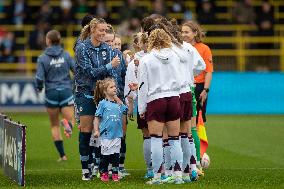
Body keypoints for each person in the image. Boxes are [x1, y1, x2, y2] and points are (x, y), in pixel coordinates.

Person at [75, 17, 121, 180]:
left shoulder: (106, 49)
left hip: (102, 98)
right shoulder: (82, 48)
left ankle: (98, 166)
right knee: (86, 132)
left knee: (101, 133)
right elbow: (89, 72)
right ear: (92, 30)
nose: (103, 33)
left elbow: (111, 74)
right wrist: (109, 66)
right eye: (101, 30)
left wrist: (113, 92)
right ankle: (85, 169)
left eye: (105, 31)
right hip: (86, 94)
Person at [138, 28, 183, 185]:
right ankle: (178, 176)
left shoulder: (147, 59)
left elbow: (142, 86)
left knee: (156, 139)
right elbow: (180, 78)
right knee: (175, 139)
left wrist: (141, 108)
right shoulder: (175, 56)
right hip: (174, 98)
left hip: (156, 99)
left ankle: (157, 177)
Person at [35, 29, 75, 162]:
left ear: (48, 41)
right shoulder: (66, 55)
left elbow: (39, 78)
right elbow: (76, 71)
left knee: (54, 125)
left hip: (51, 93)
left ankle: (62, 155)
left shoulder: (42, 58)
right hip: (66, 91)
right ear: (59, 41)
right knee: (72, 121)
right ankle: (68, 124)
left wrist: (39, 88)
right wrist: (73, 85)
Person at [181, 21, 213, 173]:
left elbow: (208, 71)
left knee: (198, 121)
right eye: (182, 32)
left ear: (195, 33)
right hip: (185, 86)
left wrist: (205, 90)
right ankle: (189, 155)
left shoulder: (204, 48)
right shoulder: (179, 47)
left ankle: (198, 154)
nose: (184, 35)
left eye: (187, 32)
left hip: (199, 87)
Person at [93, 78, 127, 182]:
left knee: (116, 156)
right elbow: (97, 118)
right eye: (111, 87)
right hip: (106, 135)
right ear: (105, 91)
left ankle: (115, 173)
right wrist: (96, 130)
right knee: (106, 156)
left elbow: (127, 111)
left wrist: (129, 99)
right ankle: (104, 173)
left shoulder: (118, 104)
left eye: (115, 87)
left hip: (117, 135)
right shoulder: (102, 104)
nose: (114, 88)